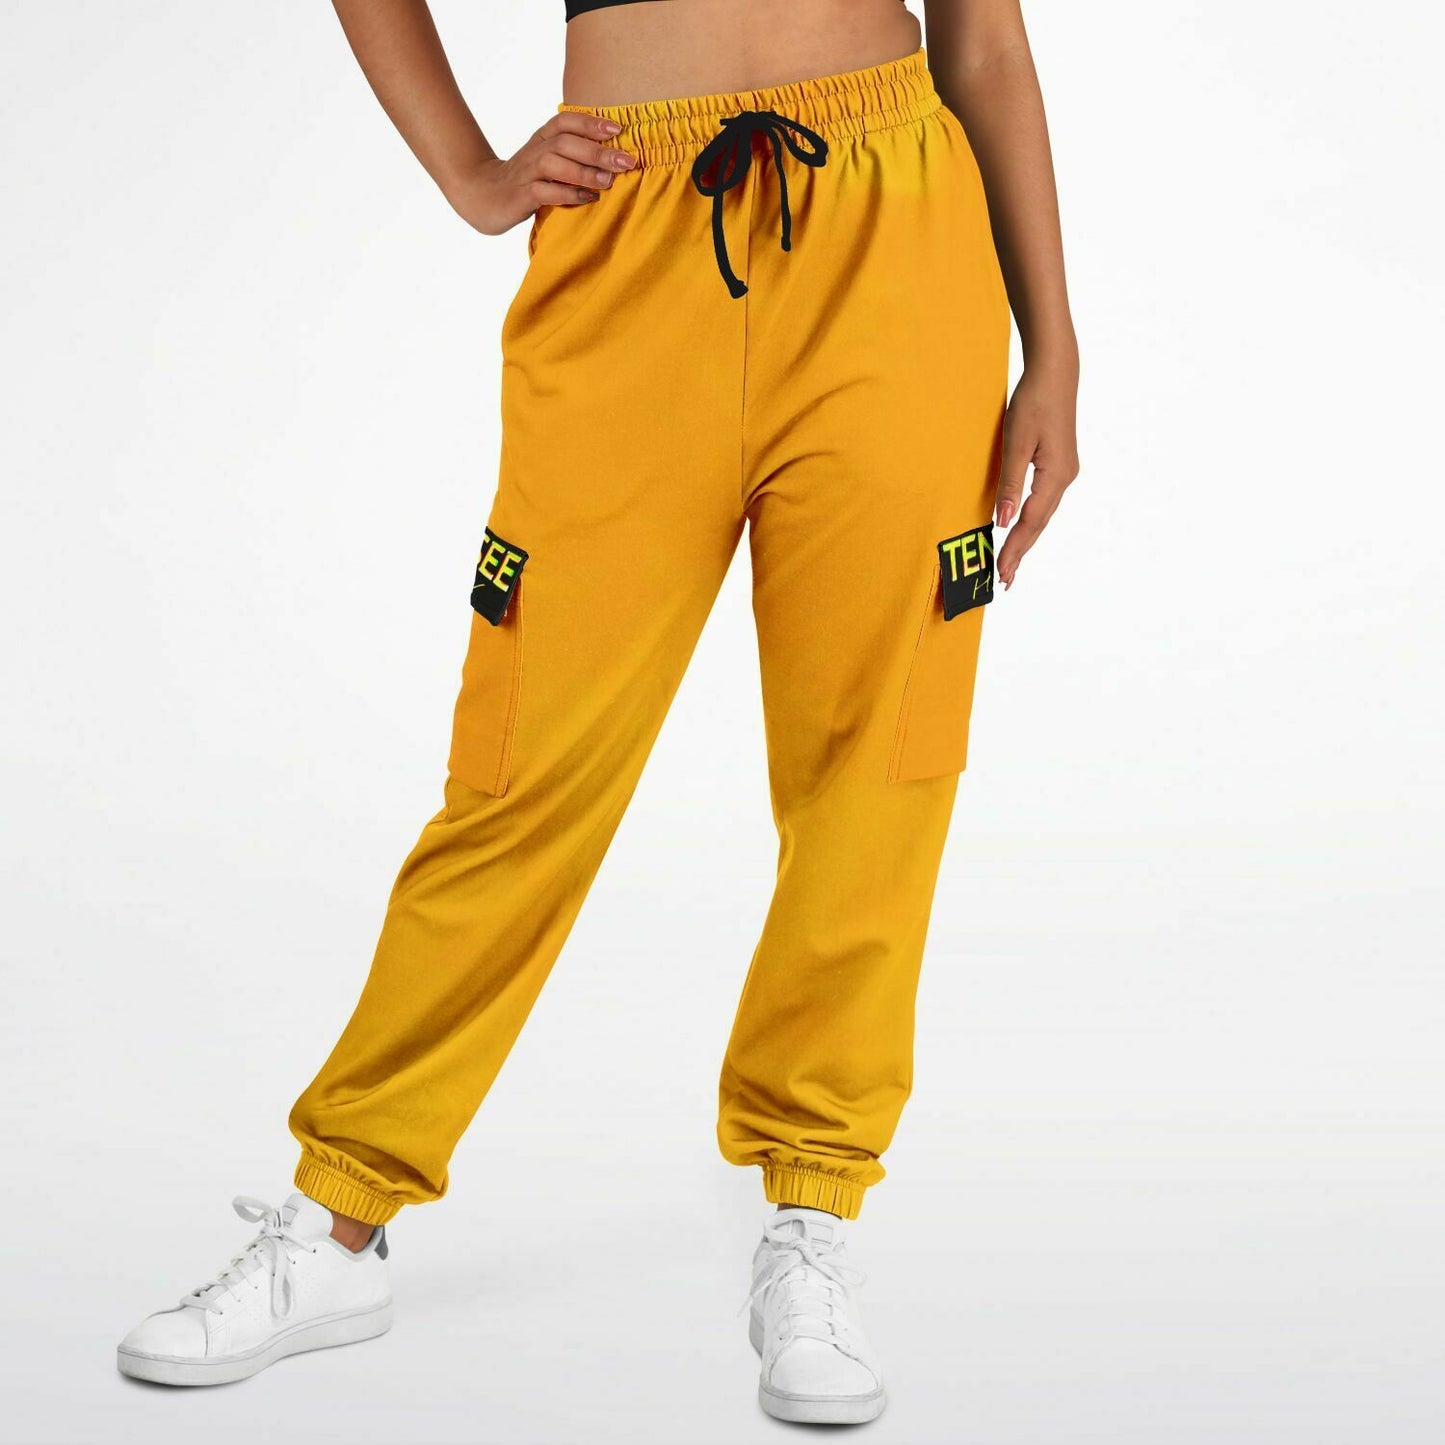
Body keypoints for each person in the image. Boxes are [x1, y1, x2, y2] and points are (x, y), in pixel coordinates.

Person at [116, 0, 1079, 1424]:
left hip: (898, 241)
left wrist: (1052, 347)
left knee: (878, 762)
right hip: (627, 227)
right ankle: (340, 1217)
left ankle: (812, 1213)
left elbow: (982, 43)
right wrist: (469, 172)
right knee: (521, 770)